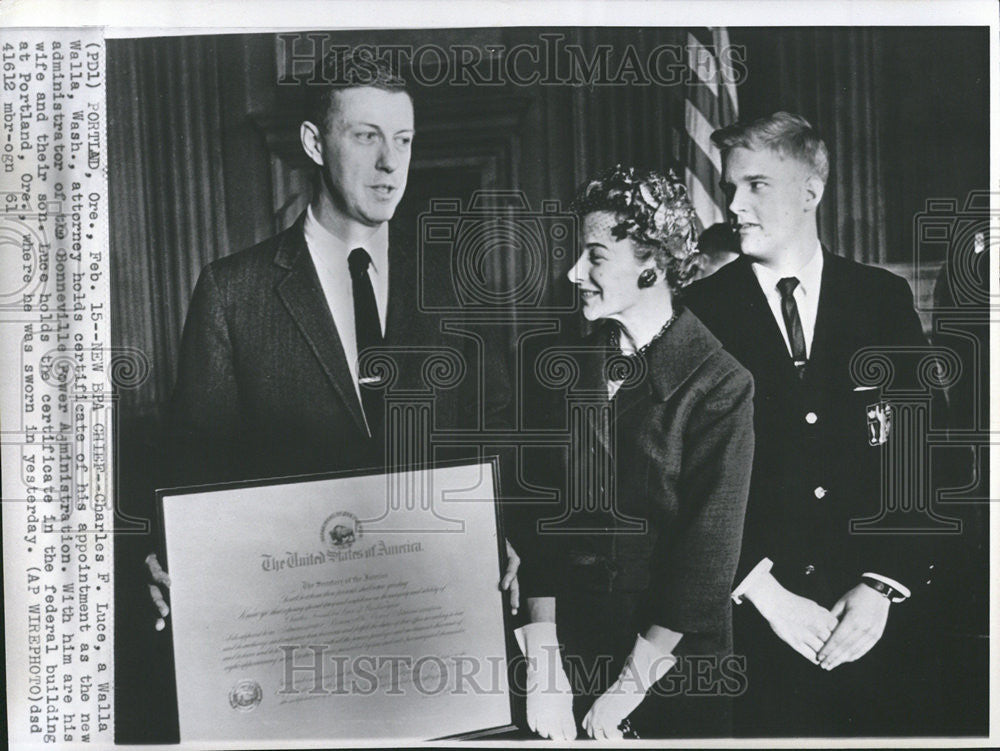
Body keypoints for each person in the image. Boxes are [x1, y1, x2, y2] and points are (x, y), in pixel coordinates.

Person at [141, 50, 518, 652]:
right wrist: (169, 556)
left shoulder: (450, 284)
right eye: (366, 136)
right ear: (315, 144)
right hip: (295, 627)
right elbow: (197, 464)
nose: (390, 162)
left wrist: (504, 529)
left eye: (403, 139)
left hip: (438, 615)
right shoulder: (234, 291)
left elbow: (492, 433)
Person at [684, 111, 937, 736]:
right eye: (729, 187)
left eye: (756, 185)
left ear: (811, 192)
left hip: (876, 634)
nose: (735, 205)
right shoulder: (698, 314)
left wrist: (883, 585)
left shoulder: (880, 299)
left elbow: (924, 455)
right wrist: (765, 594)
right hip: (751, 634)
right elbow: (677, 478)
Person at [517, 165, 755, 740]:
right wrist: (544, 663)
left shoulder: (722, 385)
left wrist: (623, 693)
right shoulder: (560, 364)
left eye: (595, 257)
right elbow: (538, 516)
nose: (576, 273)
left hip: (669, 669)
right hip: (569, 646)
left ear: (651, 266)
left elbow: (706, 560)